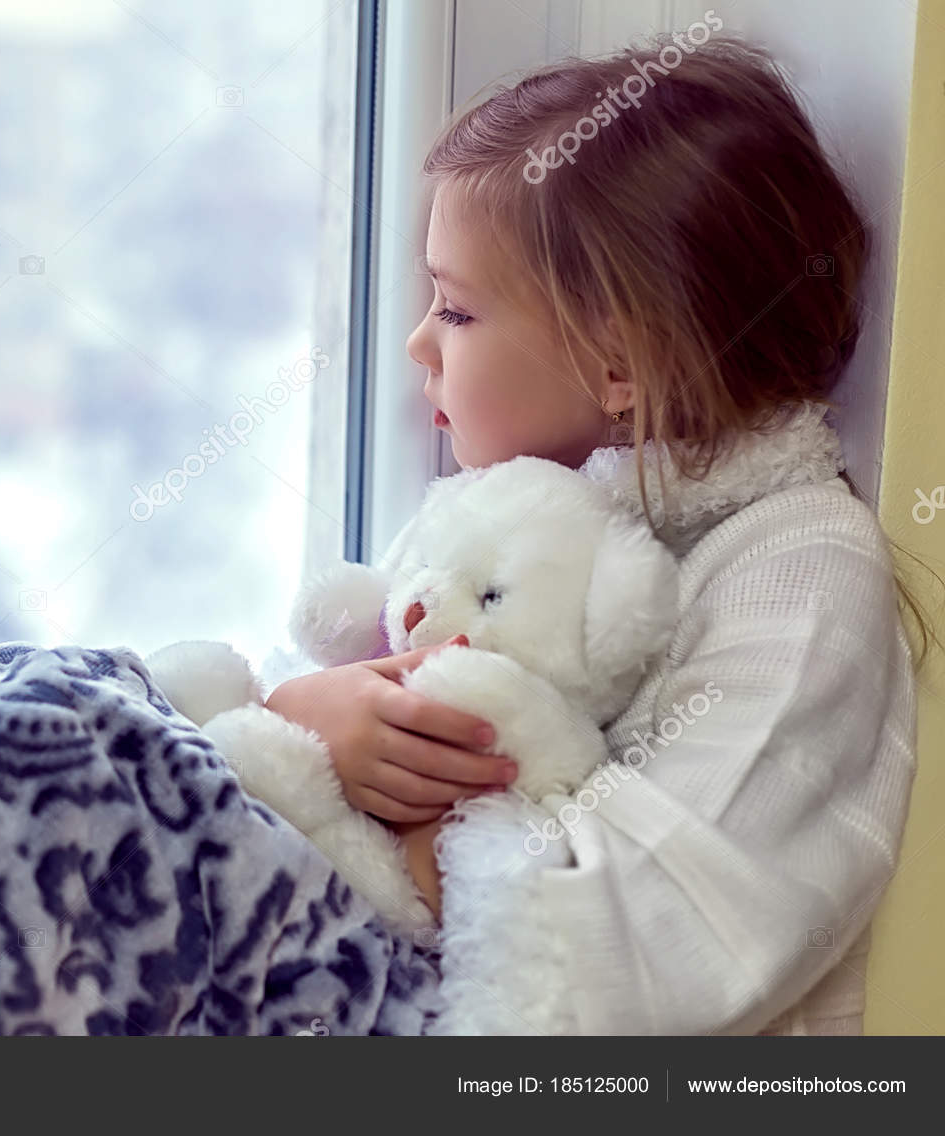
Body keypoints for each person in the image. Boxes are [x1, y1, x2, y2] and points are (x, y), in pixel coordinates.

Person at [264, 33, 931, 1034]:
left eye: (454, 309)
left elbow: (643, 934)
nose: (416, 344)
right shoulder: (514, 517)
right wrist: (305, 715)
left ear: (620, 361)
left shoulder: (796, 574)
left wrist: (348, 804)